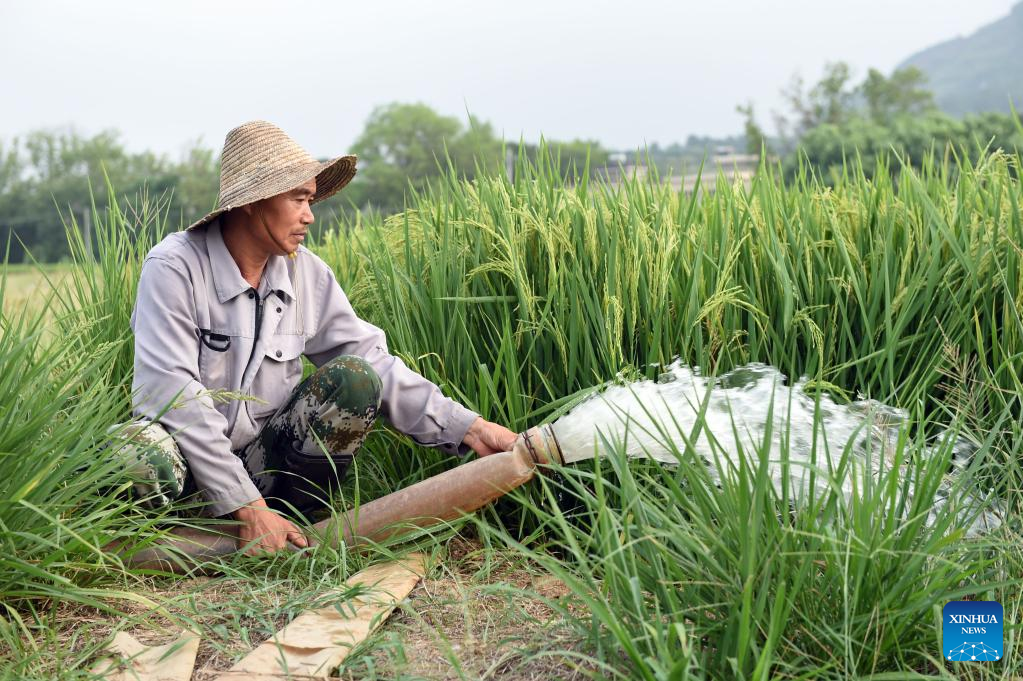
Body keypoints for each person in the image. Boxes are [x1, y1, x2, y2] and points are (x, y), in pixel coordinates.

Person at [119, 120, 517, 554]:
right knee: (134, 454)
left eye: (310, 199)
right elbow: (171, 393)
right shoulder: (174, 268)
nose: (310, 214)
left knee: (356, 378)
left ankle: (285, 524)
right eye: (298, 199)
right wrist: (244, 504)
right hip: (189, 470)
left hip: (265, 471)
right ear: (254, 202)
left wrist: (471, 430)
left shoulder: (306, 273)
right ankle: (175, 535)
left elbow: (376, 362)